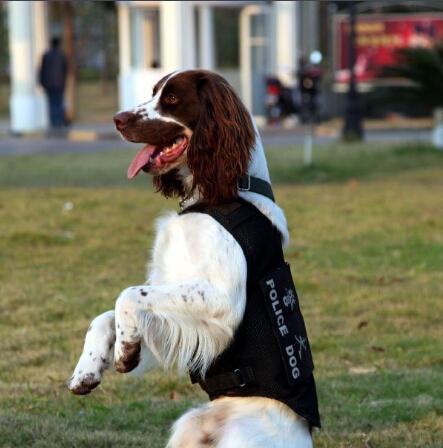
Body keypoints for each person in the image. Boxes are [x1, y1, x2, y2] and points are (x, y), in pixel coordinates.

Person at [39, 37, 67, 127]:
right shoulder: (62, 55)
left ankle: (53, 121)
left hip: (49, 84)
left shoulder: (46, 55)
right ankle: (59, 121)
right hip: (59, 83)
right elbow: (65, 70)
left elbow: (41, 70)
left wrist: (41, 82)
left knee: (51, 103)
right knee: (59, 102)